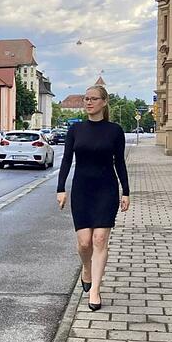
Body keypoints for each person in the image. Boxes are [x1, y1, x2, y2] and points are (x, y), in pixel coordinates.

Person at [56, 85, 130, 311]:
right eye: (86, 99)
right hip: (82, 190)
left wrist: (126, 191)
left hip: (106, 189)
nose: (88, 102)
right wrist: (61, 188)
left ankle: (95, 290)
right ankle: (86, 268)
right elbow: (67, 160)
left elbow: (120, 162)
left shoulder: (115, 131)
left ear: (104, 102)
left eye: (94, 99)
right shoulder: (76, 130)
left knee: (99, 240)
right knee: (84, 242)